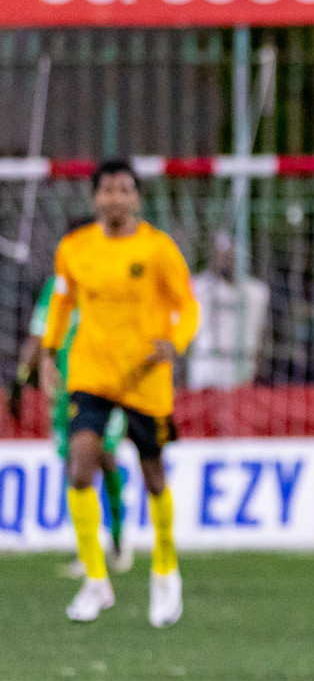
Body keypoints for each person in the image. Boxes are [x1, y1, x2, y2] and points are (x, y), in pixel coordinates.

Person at [43, 160, 198, 626]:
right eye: (107, 190)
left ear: (136, 198)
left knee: (153, 477)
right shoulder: (75, 248)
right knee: (79, 467)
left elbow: (187, 303)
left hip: (145, 377)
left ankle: (165, 568)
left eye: (124, 190)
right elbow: (61, 299)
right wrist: (50, 351)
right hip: (91, 375)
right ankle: (95, 580)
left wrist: (178, 341)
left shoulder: (157, 249)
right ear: (95, 199)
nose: (115, 198)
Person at [15, 242, 134, 577]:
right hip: (65, 390)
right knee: (74, 465)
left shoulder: (109, 284)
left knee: (104, 457)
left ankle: (118, 537)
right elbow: (39, 335)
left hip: (103, 387)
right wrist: (25, 375)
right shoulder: (55, 288)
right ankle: (88, 550)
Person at [187, 231, 270, 390]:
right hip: (205, 372)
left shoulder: (257, 292)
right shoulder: (195, 287)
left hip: (241, 373)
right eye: (220, 254)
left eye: (229, 254)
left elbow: (263, 334)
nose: (224, 259)